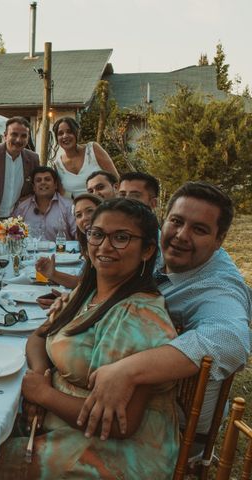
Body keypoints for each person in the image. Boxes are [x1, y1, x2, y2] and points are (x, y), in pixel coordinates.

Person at [5, 198, 178, 479]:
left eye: (121, 238)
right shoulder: (89, 292)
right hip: (63, 426)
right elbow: (38, 337)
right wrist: (40, 375)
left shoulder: (139, 316)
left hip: (117, 453)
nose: (105, 246)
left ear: (147, 249)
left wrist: (44, 395)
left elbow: (122, 425)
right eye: (97, 234)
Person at [77, 182, 251, 447]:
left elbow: (230, 339)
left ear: (219, 240)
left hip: (170, 431)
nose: (182, 235)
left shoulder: (219, 288)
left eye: (199, 229)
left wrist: (129, 370)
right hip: (121, 401)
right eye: (176, 221)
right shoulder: (160, 253)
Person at [35, 193, 102, 292]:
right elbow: (85, 284)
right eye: (79, 215)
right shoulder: (89, 245)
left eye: (90, 211)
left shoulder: (106, 248)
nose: (84, 218)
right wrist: (53, 274)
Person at [51, 116, 119, 198]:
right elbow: (62, 195)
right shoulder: (57, 165)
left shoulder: (93, 149)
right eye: (60, 133)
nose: (65, 136)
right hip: (78, 209)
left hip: (104, 206)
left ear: (77, 133)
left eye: (69, 132)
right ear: (57, 138)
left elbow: (117, 180)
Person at [12, 166, 76, 242]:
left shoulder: (68, 206)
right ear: (34, 187)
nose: (43, 182)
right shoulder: (22, 208)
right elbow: (13, 236)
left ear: (55, 185)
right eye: (38, 180)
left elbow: (78, 235)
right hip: (30, 253)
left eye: (47, 179)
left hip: (62, 252)